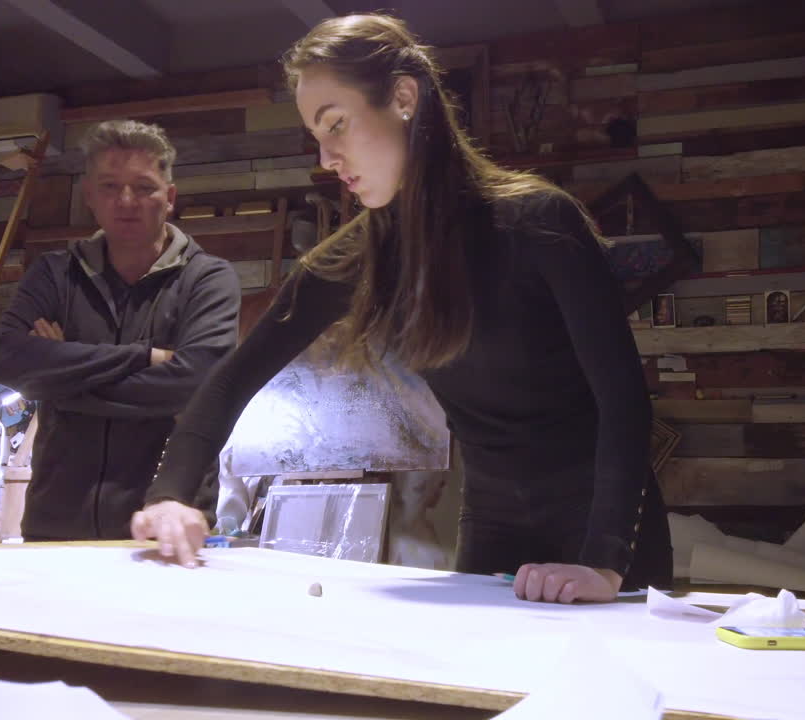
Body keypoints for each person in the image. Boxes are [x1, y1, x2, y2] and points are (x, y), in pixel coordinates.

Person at [132, 13, 672, 604]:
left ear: (404, 99)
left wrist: (603, 563)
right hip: (493, 523)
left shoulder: (539, 220)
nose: (327, 157)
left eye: (337, 125)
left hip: (602, 531)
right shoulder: (355, 258)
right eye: (317, 136)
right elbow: (233, 377)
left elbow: (623, 399)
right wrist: (170, 494)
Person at [0, 120, 241, 541]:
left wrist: (61, 382)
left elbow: (197, 384)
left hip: (166, 526)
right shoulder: (54, 275)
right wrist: (143, 357)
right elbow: (7, 362)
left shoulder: (208, 280)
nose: (126, 201)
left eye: (143, 187)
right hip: (54, 528)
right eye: (110, 186)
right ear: (89, 196)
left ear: (169, 198)